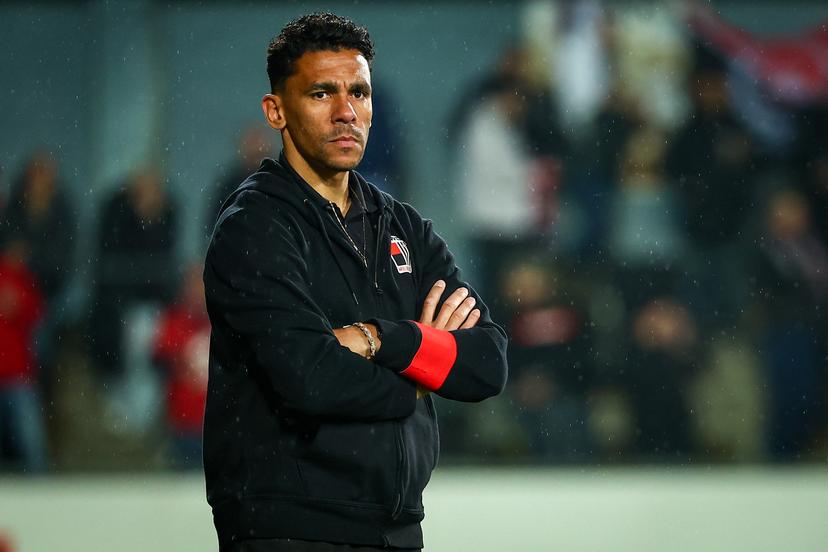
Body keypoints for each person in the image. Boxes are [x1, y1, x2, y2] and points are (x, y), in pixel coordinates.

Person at [203, 13, 508, 552]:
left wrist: (380, 339)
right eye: (322, 93)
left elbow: (487, 363)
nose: (347, 112)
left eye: (359, 93)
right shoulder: (254, 227)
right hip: (288, 530)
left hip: (395, 532)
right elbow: (309, 379)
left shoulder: (404, 227)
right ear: (276, 111)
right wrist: (422, 372)